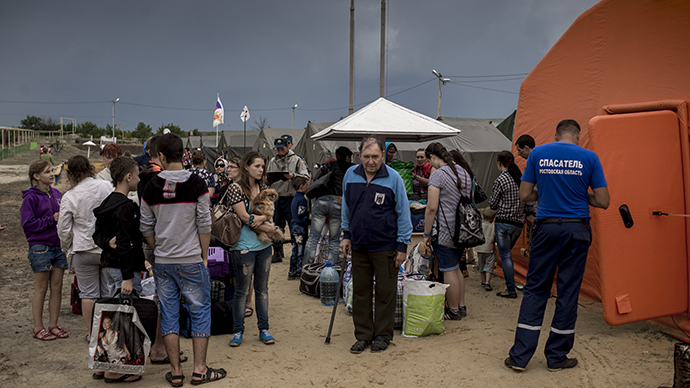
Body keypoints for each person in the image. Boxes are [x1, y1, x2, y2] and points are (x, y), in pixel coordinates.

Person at [505, 119, 609, 372]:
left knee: (536, 289)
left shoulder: (539, 153)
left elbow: (525, 194)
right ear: (578, 136)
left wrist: (549, 191)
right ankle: (556, 357)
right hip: (577, 229)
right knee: (568, 292)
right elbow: (604, 201)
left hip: (547, 228)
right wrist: (579, 192)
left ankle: (520, 357)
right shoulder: (590, 157)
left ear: (556, 135)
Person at [140, 133, 226, 386]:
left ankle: (176, 371)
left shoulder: (150, 186)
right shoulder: (197, 184)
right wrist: (203, 255)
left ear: (162, 156)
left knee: (168, 312)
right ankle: (200, 370)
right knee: (199, 311)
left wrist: (158, 250)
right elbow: (204, 223)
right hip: (191, 259)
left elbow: (146, 227)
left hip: (164, 261)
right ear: (184, 154)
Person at [341, 137, 412, 354]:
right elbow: (346, 206)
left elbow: (403, 213)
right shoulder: (350, 175)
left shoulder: (394, 178)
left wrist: (402, 246)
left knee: (385, 292)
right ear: (359, 156)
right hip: (359, 246)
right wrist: (345, 235)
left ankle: (382, 335)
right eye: (366, 156)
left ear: (382, 155)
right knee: (361, 292)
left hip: (385, 246)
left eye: (375, 156)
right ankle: (363, 335)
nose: (371, 161)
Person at [225, 151, 280, 348]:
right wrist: (264, 224)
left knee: (262, 290)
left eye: (262, 166)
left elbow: (269, 211)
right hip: (243, 247)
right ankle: (238, 330)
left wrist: (260, 219)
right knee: (241, 290)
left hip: (264, 246)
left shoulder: (264, 187)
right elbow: (242, 217)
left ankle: (264, 329)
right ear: (246, 167)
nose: (261, 170)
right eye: (257, 166)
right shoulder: (235, 188)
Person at [57, 155, 113, 343]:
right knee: (107, 292)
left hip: (83, 249)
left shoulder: (70, 196)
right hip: (106, 247)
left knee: (88, 294)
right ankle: (108, 332)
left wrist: (68, 247)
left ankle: (92, 333)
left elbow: (63, 228)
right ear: (90, 168)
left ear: (70, 173)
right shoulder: (105, 186)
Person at [422, 142, 471, 321]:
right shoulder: (463, 171)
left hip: (445, 230)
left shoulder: (438, 175)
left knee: (449, 269)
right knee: (457, 268)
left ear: (432, 157)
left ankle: (454, 310)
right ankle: (462, 305)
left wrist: (427, 234)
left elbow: (431, 207)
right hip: (463, 229)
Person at [21, 160, 69, 341]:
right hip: (40, 247)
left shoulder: (57, 194)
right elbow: (28, 224)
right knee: (41, 288)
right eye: (47, 171)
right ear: (36, 176)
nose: (52, 174)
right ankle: (38, 327)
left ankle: (53, 325)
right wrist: (51, 219)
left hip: (58, 247)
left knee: (57, 287)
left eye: (52, 171)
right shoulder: (30, 198)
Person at [93, 156, 145, 298]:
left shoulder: (107, 203)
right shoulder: (126, 207)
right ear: (129, 177)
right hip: (124, 268)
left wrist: (107, 242)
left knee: (114, 307)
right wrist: (127, 277)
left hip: (108, 264)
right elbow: (124, 241)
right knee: (127, 311)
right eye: (137, 176)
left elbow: (96, 234)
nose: (139, 180)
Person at [303, 146, 354, 266]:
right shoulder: (351, 169)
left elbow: (316, 181)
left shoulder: (327, 166)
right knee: (334, 240)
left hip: (321, 201)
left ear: (337, 154)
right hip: (339, 202)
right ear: (347, 156)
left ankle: (306, 268)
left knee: (313, 238)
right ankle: (331, 270)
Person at [487, 151, 527, 299]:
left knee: (505, 257)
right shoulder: (520, 178)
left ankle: (510, 289)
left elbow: (492, 204)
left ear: (499, 162)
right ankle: (513, 285)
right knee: (508, 255)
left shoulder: (500, 180)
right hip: (518, 223)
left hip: (503, 222)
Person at [266, 135, 309, 263]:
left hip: (292, 197)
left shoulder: (297, 160)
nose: (280, 152)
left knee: (294, 226)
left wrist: (293, 176)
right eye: (278, 149)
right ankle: (277, 252)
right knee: (276, 226)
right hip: (277, 198)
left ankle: (296, 253)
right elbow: (268, 177)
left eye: (282, 149)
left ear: (288, 146)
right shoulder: (273, 161)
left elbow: (305, 176)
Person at [288, 176, 310, 280]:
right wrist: (309, 220)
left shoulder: (294, 198)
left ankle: (292, 270)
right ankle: (299, 270)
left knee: (294, 248)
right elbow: (301, 215)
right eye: (306, 185)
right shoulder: (302, 199)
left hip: (294, 226)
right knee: (301, 249)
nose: (307, 187)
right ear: (301, 186)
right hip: (300, 227)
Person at [476, 207, 496, 291]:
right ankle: (487, 282)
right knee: (489, 266)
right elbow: (495, 237)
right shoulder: (493, 227)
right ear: (493, 218)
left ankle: (483, 281)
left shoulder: (479, 226)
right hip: (489, 249)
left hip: (480, 248)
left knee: (481, 265)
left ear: (482, 217)